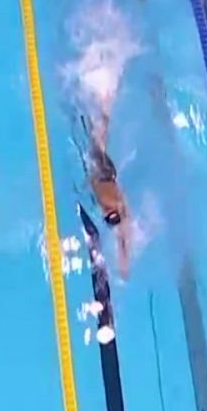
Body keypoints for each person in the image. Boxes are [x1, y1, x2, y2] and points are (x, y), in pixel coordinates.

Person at [84, 94, 130, 277]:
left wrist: (123, 261)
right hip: (103, 174)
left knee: (97, 136)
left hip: (101, 176)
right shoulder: (115, 202)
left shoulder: (114, 205)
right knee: (97, 136)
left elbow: (123, 236)